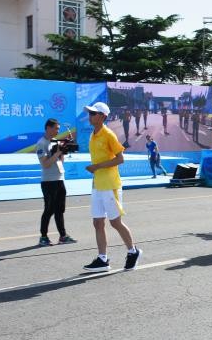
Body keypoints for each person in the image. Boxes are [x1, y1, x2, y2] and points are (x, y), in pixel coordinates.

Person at [82, 102, 142, 272]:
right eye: (90, 113)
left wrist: (97, 167)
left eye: (93, 113)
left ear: (102, 116)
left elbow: (120, 159)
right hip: (97, 184)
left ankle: (133, 251)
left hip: (110, 184)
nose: (90, 116)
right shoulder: (94, 134)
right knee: (97, 222)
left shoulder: (108, 134)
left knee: (115, 222)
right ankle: (103, 259)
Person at [35, 118, 76, 246]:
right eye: (56, 128)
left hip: (59, 180)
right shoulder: (41, 144)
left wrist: (64, 148)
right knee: (49, 209)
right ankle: (43, 237)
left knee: (60, 209)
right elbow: (45, 164)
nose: (58, 131)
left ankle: (63, 236)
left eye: (59, 129)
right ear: (48, 128)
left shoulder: (55, 141)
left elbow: (60, 161)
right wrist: (57, 152)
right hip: (48, 182)